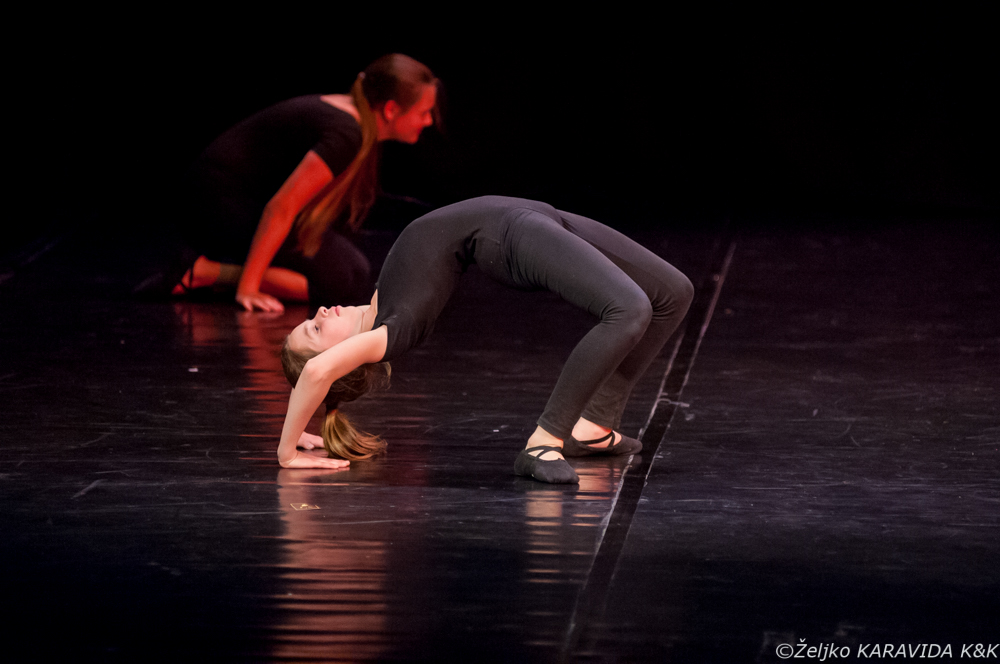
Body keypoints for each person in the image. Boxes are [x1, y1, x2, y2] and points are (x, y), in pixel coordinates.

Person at [276, 196, 694, 484]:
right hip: (512, 235)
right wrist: (287, 452)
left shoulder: (380, 304)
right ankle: (543, 442)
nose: (320, 312)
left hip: (533, 214)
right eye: (315, 330)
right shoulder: (392, 331)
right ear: (341, 360)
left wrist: (308, 423)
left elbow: (318, 372)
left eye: (310, 319)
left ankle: (592, 427)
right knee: (629, 309)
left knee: (673, 293)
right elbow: (316, 371)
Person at [165, 53, 439, 312]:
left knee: (355, 272)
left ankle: (219, 272)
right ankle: (207, 273)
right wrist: (248, 288)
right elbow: (281, 207)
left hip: (239, 201)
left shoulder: (354, 118)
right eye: (423, 112)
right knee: (336, 282)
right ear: (391, 109)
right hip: (213, 205)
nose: (427, 121)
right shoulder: (347, 134)